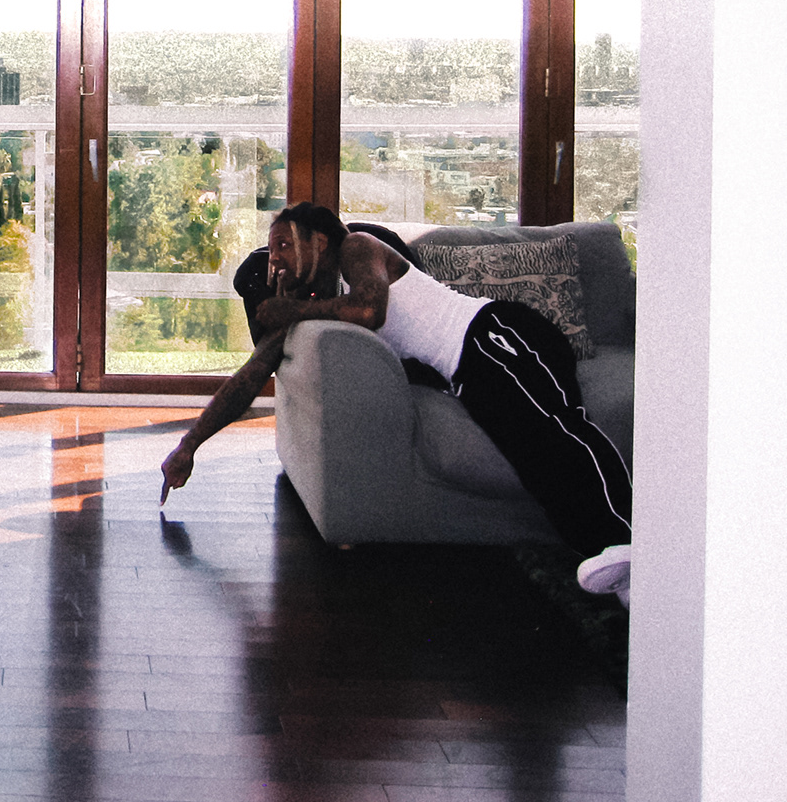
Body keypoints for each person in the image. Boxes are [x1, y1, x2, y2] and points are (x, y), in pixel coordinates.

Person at [158, 203, 634, 607]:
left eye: (283, 244)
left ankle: (626, 540)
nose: (275, 258)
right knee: (531, 455)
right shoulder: (317, 300)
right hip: (466, 372)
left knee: (555, 428)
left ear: (319, 241)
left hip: (492, 334)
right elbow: (250, 377)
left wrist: (293, 309)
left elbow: (370, 309)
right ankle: (620, 565)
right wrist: (188, 447)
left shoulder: (356, 246)